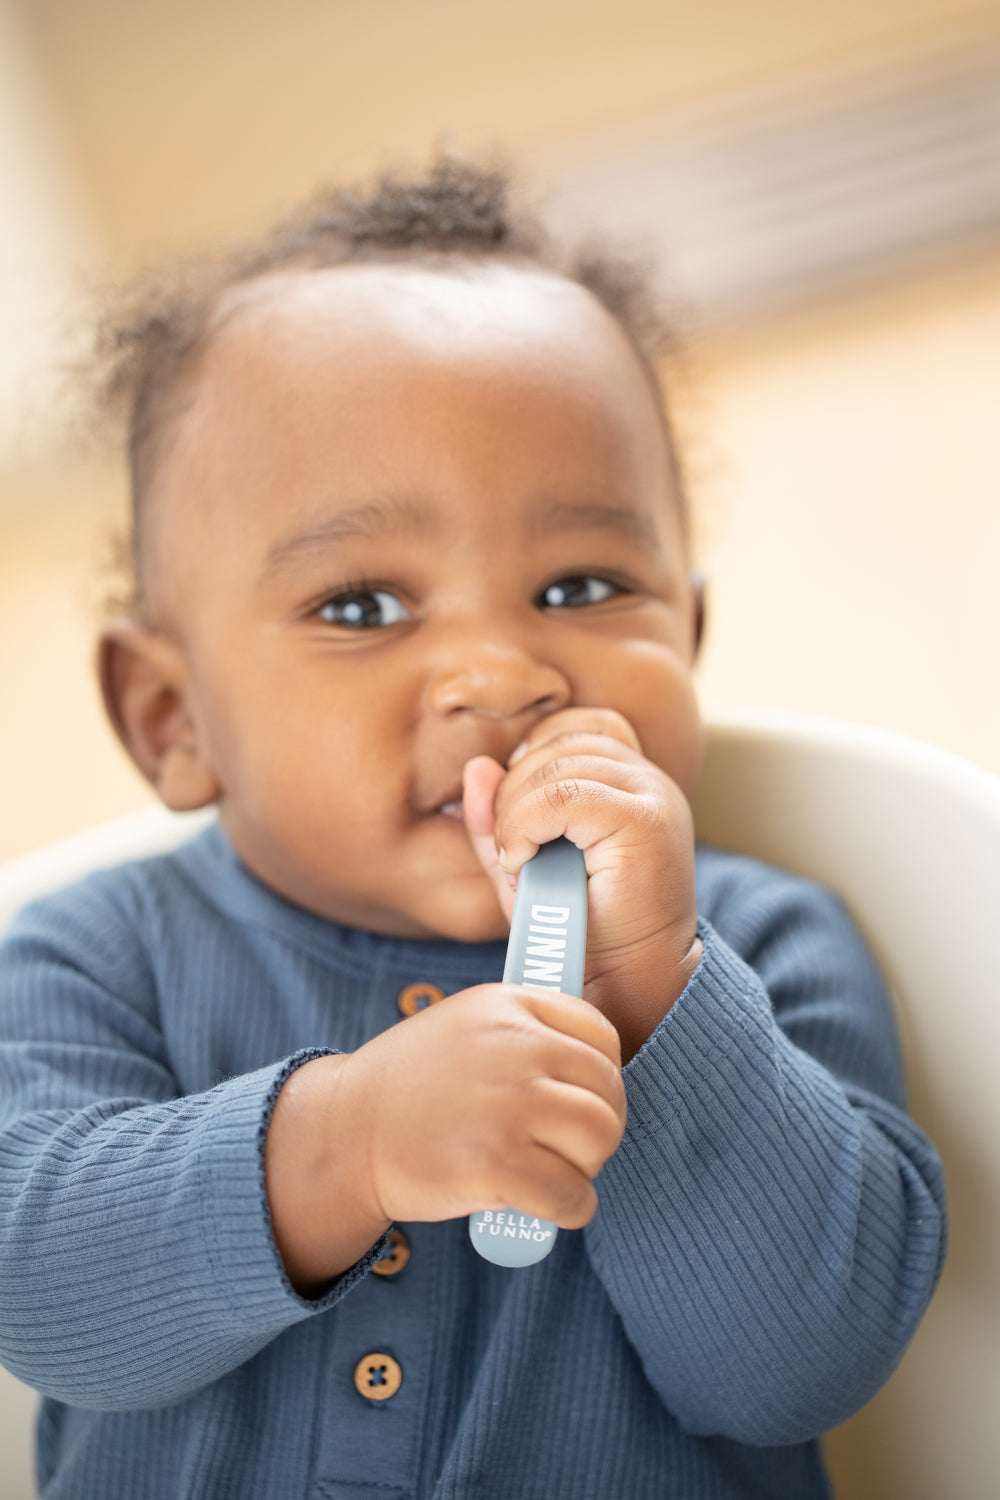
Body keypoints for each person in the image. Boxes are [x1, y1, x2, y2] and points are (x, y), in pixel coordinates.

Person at [0, 156, 945, 1499]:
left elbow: (800, 1364)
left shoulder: (769, 943)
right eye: (364, 606)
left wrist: (655, 995)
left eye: (582, 584)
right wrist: (348, 1143)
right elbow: (36, 1286)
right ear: (173, 718)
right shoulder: (93, 956)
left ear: (688, 631)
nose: (503, 673)